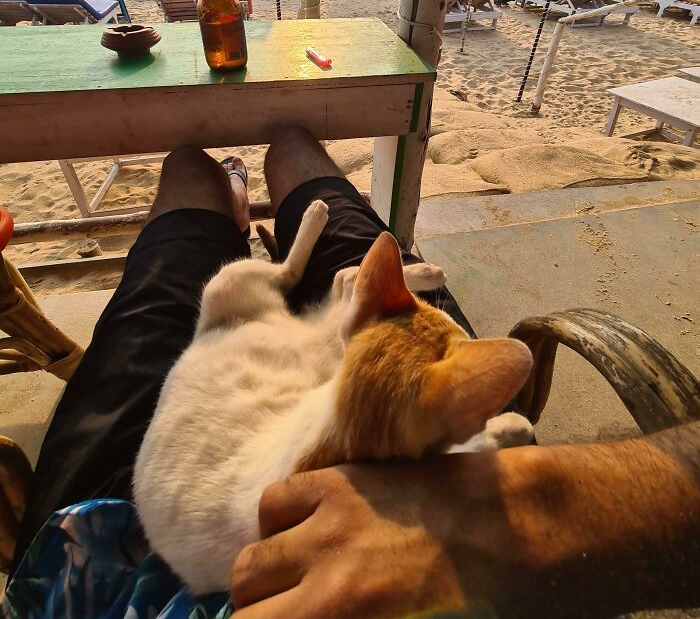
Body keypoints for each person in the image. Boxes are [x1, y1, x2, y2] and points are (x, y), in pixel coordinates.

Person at [5, 135, 700, 617]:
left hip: (120, 533)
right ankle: (261, 173)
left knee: (165, 271)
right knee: (333, 211)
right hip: (277, 425)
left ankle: (230, 178)